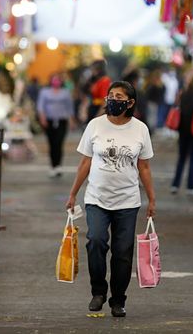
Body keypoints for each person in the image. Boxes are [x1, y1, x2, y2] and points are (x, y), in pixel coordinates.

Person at [66, 81, 157, 318]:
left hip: (128, 201)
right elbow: (85, 162)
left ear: (130, 103)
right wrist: (73, 193)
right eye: (110, 96)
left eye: (118, 97)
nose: (112, 100)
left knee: (122, 252)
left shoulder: (140, 129)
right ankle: (98, 292)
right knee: (95, 241)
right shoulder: (95, 125)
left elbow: (144, 166)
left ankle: (118, 300)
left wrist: (152, 199)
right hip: (96, 198)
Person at [171, 73, 193, 195]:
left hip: (182, 129)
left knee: (181, 157)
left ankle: (175, 184)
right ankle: (191, 186)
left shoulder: (183, 93)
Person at [37, 75, 74, 177]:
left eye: (58, 80)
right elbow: (41, 106)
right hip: (49, 121)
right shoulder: (45, 92)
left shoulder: (65, 92)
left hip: (62, 121)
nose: (56, 82)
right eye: (54, 80)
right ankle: (53, 165)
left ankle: (58, 165)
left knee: (59, 143)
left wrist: (71, 120)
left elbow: (69, 107)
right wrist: (42, 118)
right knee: (52, 144)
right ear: (51, 81)